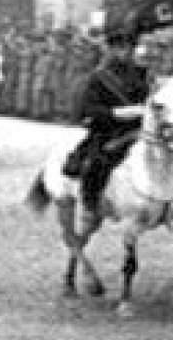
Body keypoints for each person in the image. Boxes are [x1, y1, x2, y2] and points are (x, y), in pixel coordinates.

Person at [61, 27, 149, 215]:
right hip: (108, 131)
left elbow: (148, 99)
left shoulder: (141, 74)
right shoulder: (99, 77)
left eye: (129, 48)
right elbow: (89, 110)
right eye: (121, 48)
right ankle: (89, 203)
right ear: (111, 50)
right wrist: (117, 113)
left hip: (139, 130)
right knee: (97, 162)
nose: (126, 52)